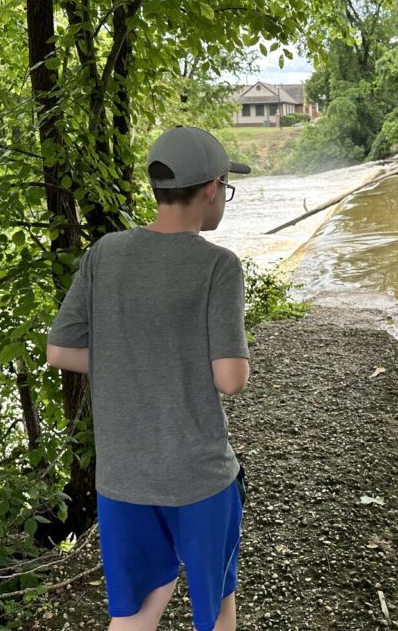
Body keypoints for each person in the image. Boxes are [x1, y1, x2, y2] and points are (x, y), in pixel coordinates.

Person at [46, 126, 253, 631]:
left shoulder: (105, 253)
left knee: (136, 613)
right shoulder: (217, 266)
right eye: (225, 189)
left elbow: (60, 350)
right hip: (199, 478)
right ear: (211, 188)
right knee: (216, 606)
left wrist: (134, 357)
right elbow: (229, 379)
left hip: (123, 479)